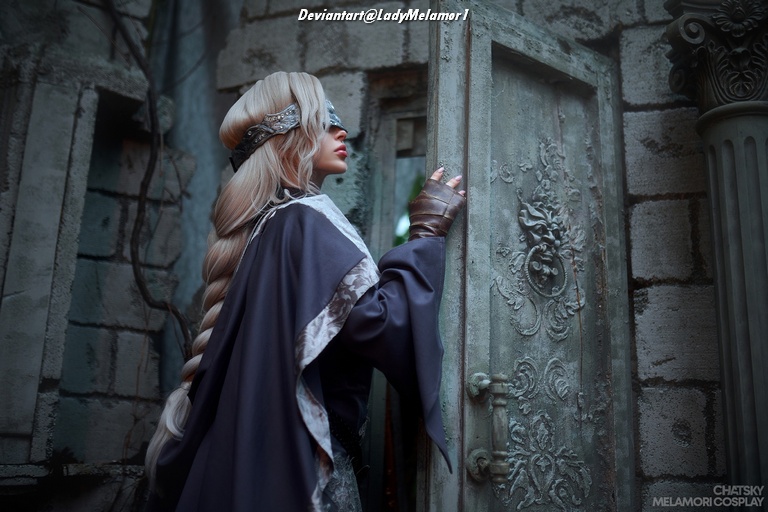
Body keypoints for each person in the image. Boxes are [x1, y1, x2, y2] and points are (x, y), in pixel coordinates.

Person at [143, 71, 466, 511]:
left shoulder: (268, 230)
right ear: (288, 137)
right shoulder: (305, 218)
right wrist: (426, 233)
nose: (342, 130)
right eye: (324, 119)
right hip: (303, 470)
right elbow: (380, 324)